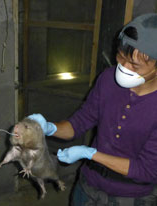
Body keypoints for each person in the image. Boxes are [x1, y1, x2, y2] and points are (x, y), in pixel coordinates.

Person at [29, 13, 157, 205]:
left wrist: (90, 154)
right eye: (120, 57)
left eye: (134, 65)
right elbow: (81, 121)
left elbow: (147, 170)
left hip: (131, 197)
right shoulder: (107, 79)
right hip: (88, 184)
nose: (123, 67)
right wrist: (49, 127)